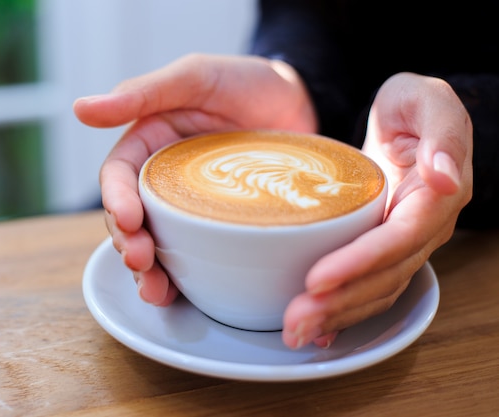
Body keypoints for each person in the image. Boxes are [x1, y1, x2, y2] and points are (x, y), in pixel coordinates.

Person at [73, 0, 498, 349]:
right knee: (98, 212)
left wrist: (470, 127)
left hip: (412, 191)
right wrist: (294, 75)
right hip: (301, 128)